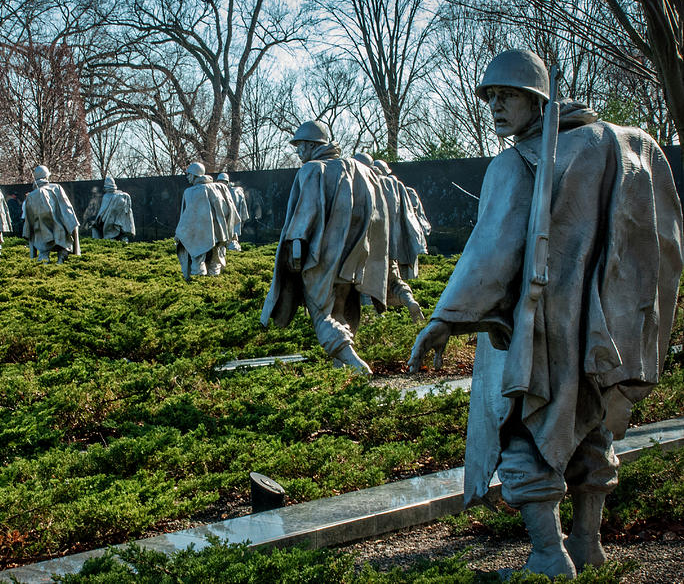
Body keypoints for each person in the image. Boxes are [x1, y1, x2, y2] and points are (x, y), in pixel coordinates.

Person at [408, 49, 684, 578]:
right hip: (605, 332)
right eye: (489, 97)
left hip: (540, 333)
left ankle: (548, 555)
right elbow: (663, 241)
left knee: (521, 430)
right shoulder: (627, 146)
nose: (495, 107)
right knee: (588, 426)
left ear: (538, 99)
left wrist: (445, 318)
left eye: (507, 95)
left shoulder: (518, 162)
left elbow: (492, 250)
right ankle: (587, 545)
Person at [261, 122, 390, 374]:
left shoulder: (311, 170)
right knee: (339, 311)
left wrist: (296, 251)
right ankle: (340, 367)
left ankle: (354, 363)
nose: (298, 152)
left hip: (320, 259)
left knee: (321, 313)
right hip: (352, 259)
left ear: (311, 145)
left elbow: (305, 213)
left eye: (300, 146)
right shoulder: (359, 169)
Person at [355, 152, 426, 323]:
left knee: (364, 286)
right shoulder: (395, 186)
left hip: (368, 247)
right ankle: (409, 300)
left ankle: (372, 321)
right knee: (394, 282)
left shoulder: (364, 183)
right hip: (390, 248)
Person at [174, 162, 238, 280]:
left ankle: (199, 285)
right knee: (215, 261)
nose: (187, 177)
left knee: (198, 259)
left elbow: (188, 216)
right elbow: (230, 209)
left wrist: (179, 232)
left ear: (195, 174)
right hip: (219, 232)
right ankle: (213, 284)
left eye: (189, 174)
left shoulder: (192, 191)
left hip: (200, 233)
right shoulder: (219, 187)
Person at [22, 165, 80, 263]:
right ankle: (61, 259)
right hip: (59, 228)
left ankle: (44, 262)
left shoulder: (31, 196)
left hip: (41, 231)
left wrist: (29, 231)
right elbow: (67, 208)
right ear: (46, 176)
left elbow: (29, 219)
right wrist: (72, 223)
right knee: (63, 244)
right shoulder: (56, 188)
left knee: (43, 250)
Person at [91, 175, 135, 242]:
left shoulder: (107, 196)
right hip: (120, 222)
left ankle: (110, 240)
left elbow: (102, 212)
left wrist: (97, 220)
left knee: (98, 226)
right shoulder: (123, 196)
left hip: (110, 222)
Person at [218, 173, 249, 251]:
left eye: (223, 181)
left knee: (232, 241)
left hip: (233, 220)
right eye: (220, 182)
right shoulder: (218, 192)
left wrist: (242, 219)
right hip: (224, 221)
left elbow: (243, 207)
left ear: (227, 182)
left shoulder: (236, 192)